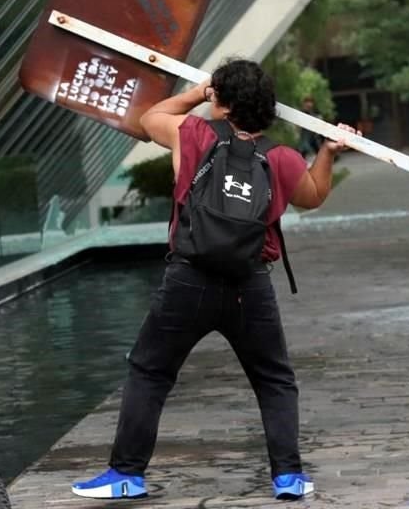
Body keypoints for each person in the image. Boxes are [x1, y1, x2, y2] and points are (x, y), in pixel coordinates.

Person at [71, 59, 357, 501]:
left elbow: (149, 120)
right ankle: (288, 477)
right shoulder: (279, 159)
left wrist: (199, 93)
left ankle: (126, 474)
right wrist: (327, 152)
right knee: (274, 380)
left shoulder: (194, 135)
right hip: (250, 285)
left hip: (188, 281)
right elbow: (314, 197)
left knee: (150, 372)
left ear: (222, 105)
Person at [296, 96, 323, 161]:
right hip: (304, 139)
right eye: (307, 102)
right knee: (302, 154)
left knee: (319, 154)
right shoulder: (301, 113)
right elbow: (297, 126)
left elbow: (319, 125)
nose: (309, 104)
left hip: (313, 138)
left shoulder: (316, 114)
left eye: (310, 102)